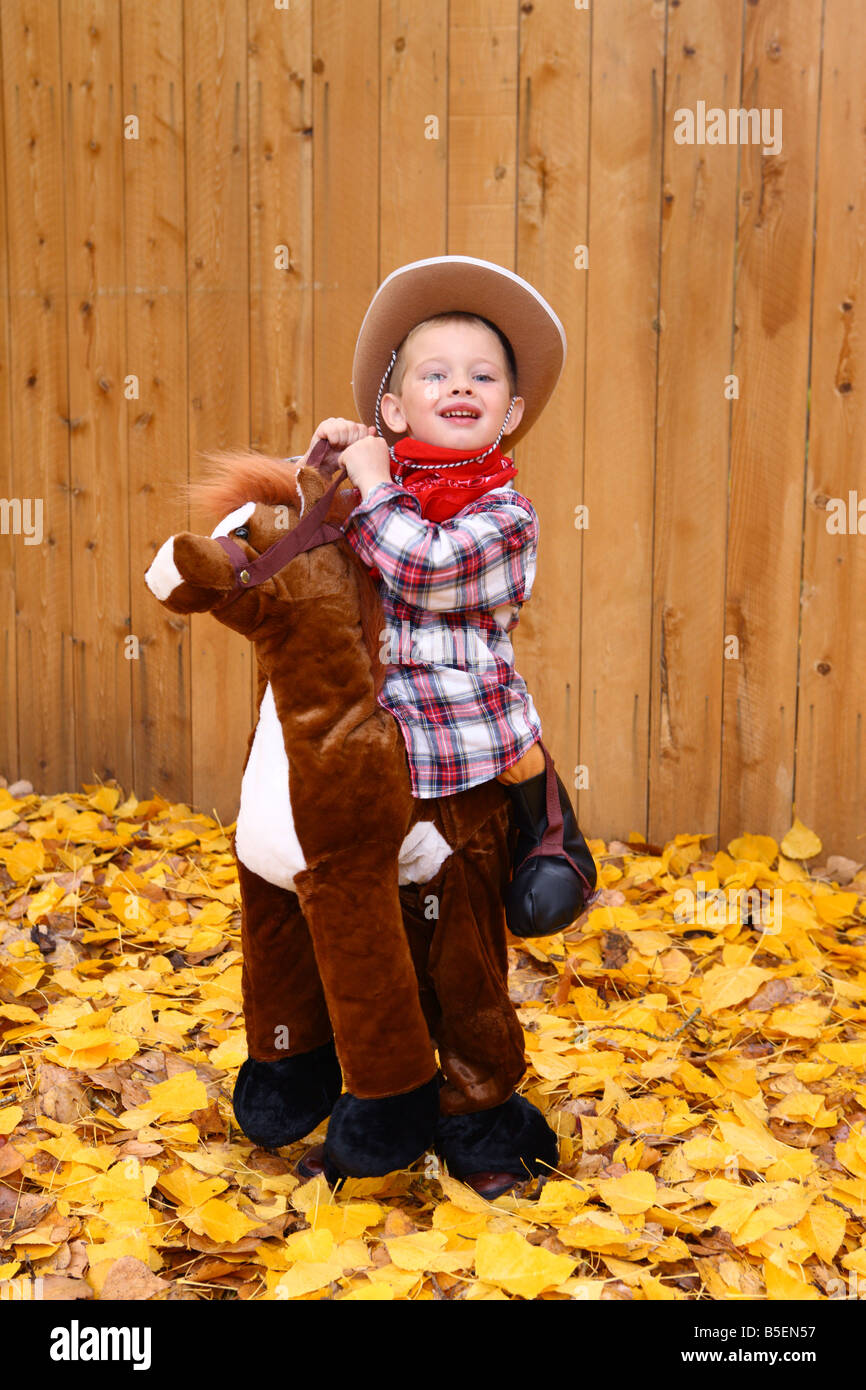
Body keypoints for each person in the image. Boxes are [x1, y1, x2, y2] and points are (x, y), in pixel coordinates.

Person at [297, 256, 597, 936]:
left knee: (459, 907)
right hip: (374, 722)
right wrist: (325, 459)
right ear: (395, 410)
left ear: (509, 411)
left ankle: (551, 839)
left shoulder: (506, 515)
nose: (460, 385)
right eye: (436, 374)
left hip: (464, 731)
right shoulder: (379, 480)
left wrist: (373, 483)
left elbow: (424, 570)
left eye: (482, 376)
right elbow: (295, 537)